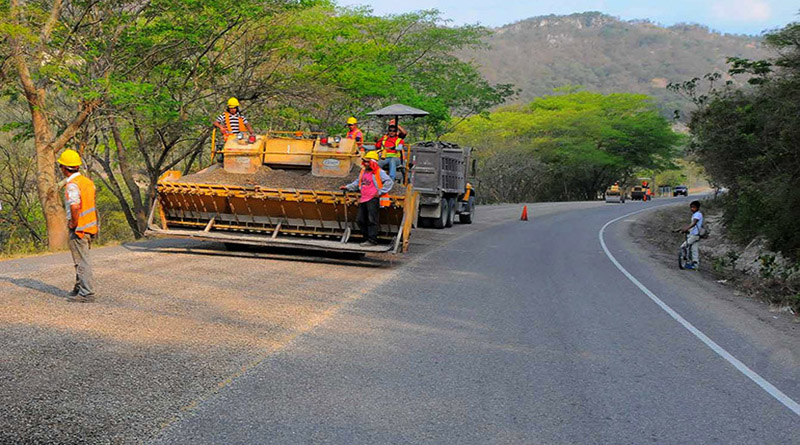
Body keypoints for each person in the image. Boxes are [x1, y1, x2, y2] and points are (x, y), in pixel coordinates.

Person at [58, 149, 98, 303]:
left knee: (81, 261)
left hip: (79, 228)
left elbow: (75, 207)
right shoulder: (87, 182)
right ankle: (79, 287)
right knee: (81, 258)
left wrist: (73, 223)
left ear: (64, 168)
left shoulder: (72, 185)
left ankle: (87, 293)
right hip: (90, 226)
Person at [340, 151, 394, 247]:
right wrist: (347, 187)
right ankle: (366, 238)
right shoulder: (363, 171)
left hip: (373, 199)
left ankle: (372, 240)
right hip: (364, 198)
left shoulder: (378, 172)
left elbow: (389, 181)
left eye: (367, 162)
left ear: (373, 162)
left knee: (372, 220)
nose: (365, 163)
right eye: (364, 161)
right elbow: (357, 183)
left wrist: (380, 192)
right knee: (360, 220)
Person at [677, 200, 703, 270]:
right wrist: (682, 229)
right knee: (694, 250)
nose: (692, 209)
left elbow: (694, 223)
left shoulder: (697, 214)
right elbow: (693, 225)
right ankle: (695, 265)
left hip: (694, 235)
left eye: (694, 207)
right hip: (696, 235)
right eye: (691, 207)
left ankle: (687, 261)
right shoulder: (696, 214)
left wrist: (686, 229)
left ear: (697, 208)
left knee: (684, 246)